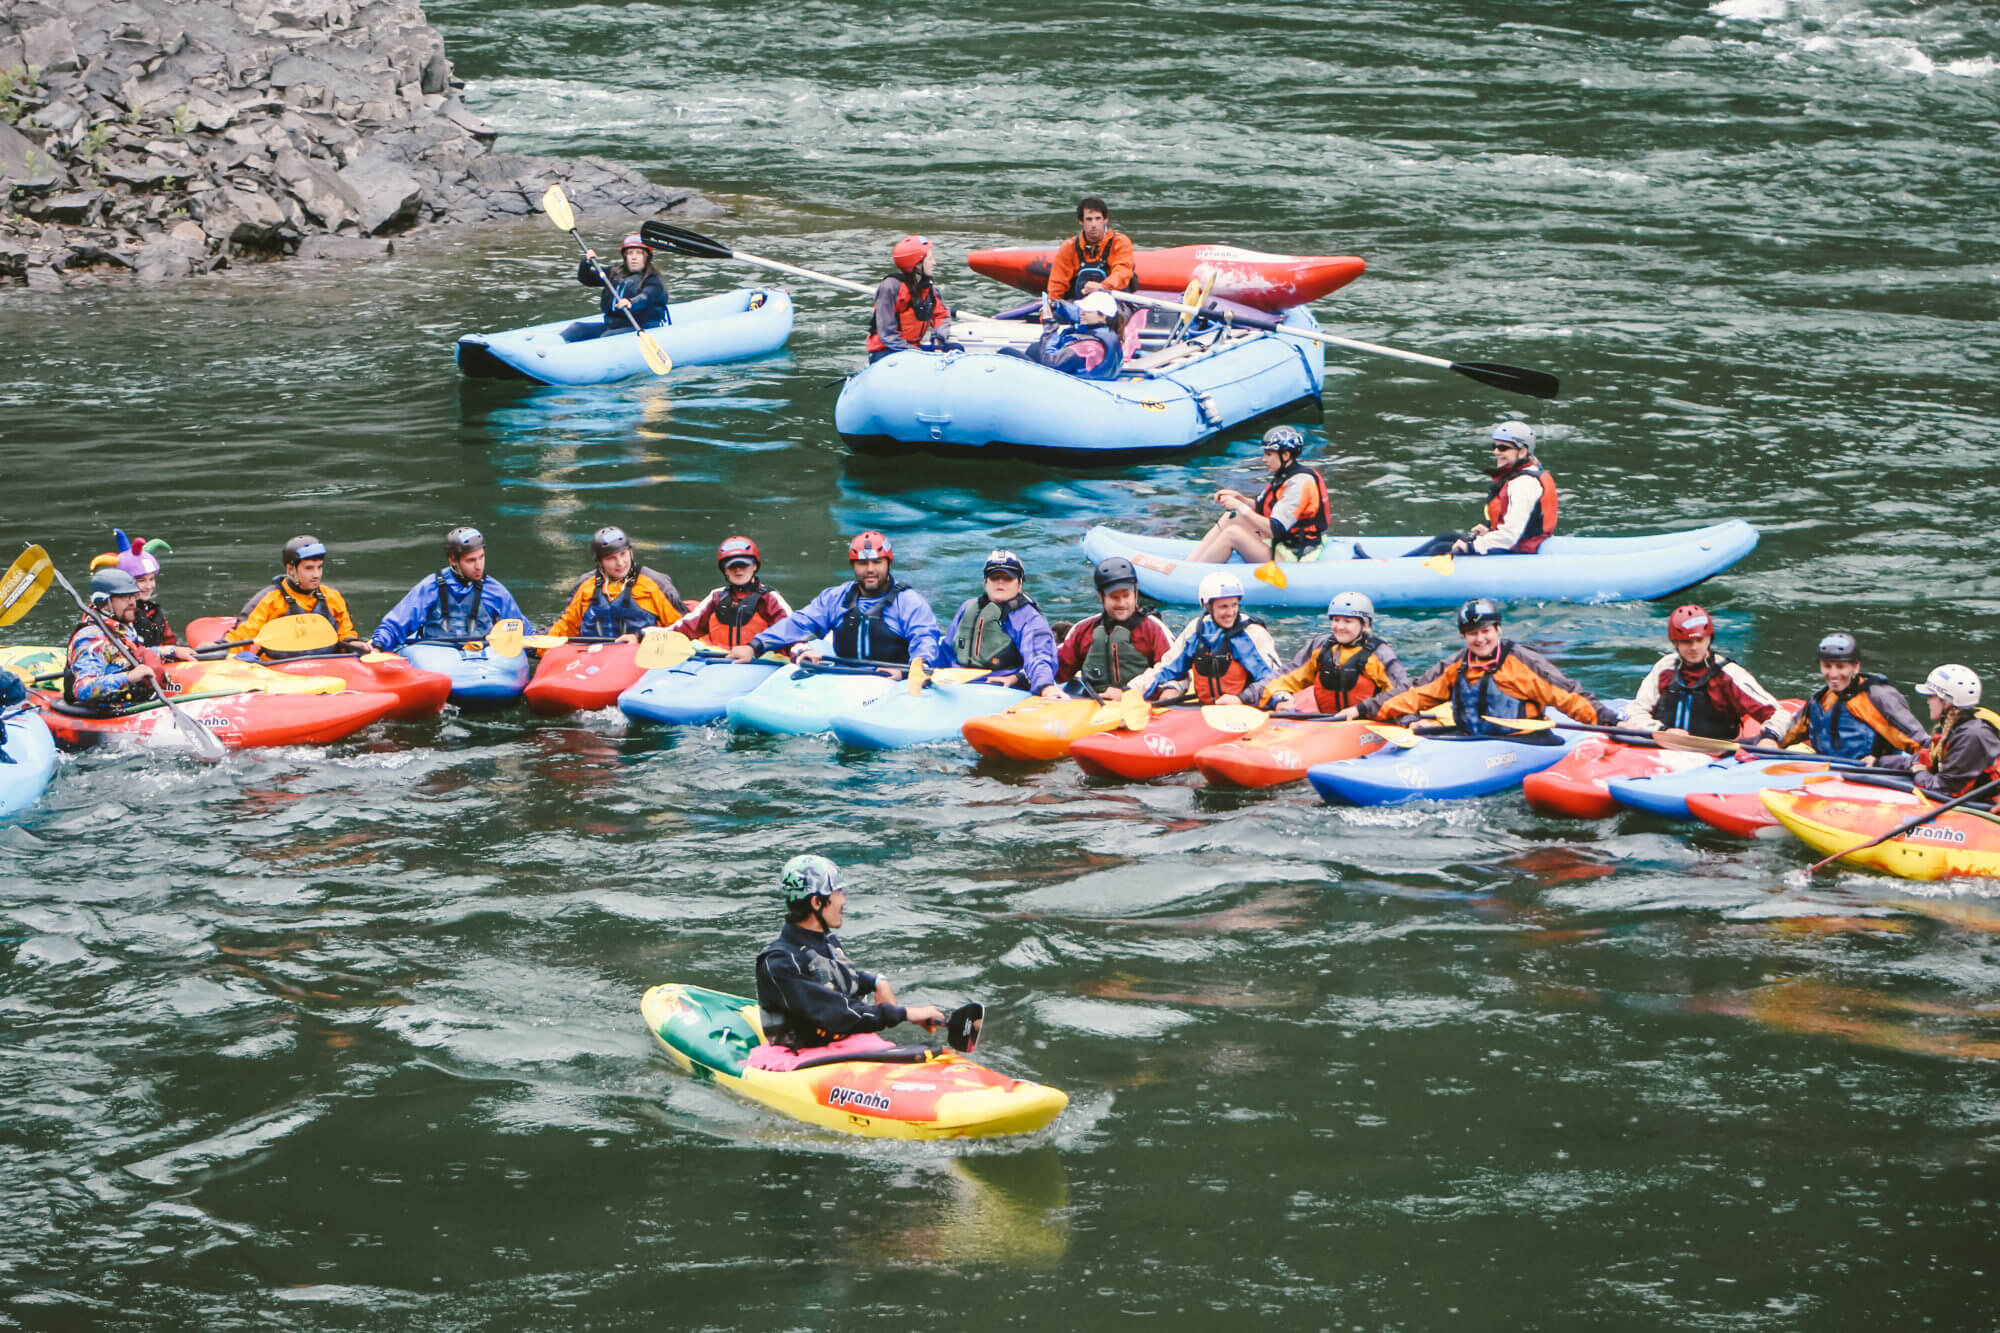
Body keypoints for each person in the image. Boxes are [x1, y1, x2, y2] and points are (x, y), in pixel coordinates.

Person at [749, 854, 946, 1067]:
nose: (843, 901)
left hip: (842, 1045)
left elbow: (839, 978)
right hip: (800, 1056)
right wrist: (905, 1014)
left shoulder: (826, 941)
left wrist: (876, 982)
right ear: (817, 902)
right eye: (838, 892)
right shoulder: (780, 962)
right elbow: (838, 1015)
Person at [1335, 598, 1615, 733]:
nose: (1480, 639)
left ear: (1498, 630)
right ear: (1464, 636)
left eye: (1485, 631)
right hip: (1470, 741)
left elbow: (1568, 695)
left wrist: (1607, 720)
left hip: (1524, 743)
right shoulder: (1456, 665)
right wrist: (1362, 709)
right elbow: (1414, 694)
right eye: (1472, 634)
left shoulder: (1523, 661)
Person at [728, 530, 940, 672]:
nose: (870, 569)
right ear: (853, 565)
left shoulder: (908, 602)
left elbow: (924, 637)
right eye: (862, 563)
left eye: (877, 562)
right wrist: (755, 646)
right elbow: (799, 623)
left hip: (895, 679)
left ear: (888, 563)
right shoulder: (836, 597)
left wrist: (912, 670)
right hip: (845, 677)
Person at [1620, 604, 1784, 742]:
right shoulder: (1665, 667)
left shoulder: (1729, 674)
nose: (1694, 647)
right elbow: (1637, 710)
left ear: (1709, 639)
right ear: (1675, 642)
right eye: (1687, 641)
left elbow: (1778, 714)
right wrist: (1662, 731)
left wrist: (1769, 738)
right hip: (1664, 747)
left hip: (1716, 753)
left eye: (1699, 640)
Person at [1402, 422, 1558, 559]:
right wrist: (1489, 527)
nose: (1496, 452)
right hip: (1515, 543)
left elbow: (1510, 536)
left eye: (1503, 448)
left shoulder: (1524, 484)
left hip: (1519, 550)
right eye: (1495, 446)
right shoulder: (1523, 475)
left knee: (1441, 549)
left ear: (1522, 451)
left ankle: (1405, 573)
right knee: (1445, 537)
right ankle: (1399, 564)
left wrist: (1472, 546)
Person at [1125, 572, 1282, 706]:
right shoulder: (1196, 630)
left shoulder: (1252, 633)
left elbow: (1272, 678)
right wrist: (1130, 691)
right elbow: (1166, 669)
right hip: (1205, 711)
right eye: (1223, 607)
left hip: (1245, 708)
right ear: (1208, 606)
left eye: (1234, 605)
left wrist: (1275, 700)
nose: (1230, 612)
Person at [1186, 426, 1332, 565]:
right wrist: (1240, 498)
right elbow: (1261, 507)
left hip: (1294, 554)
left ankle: (1195, 573)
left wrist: (1240, 506)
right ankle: (1190, 563)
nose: (1263, 459)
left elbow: (1274, 529)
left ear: (1286, 455)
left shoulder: (1299, 483)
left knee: (1232, 534)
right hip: (1283, 542)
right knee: (1231, 516)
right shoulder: (1284, 475)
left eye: (1269, 454)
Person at [372, 526, 534, 651]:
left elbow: (521, 629)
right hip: (436, 654)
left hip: (484, 656)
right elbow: (395, 625)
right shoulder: (430, 587)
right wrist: (378, 645)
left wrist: (535, 646)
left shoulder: (495, 591)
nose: (479, 566)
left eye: (481, 557)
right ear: (453, 561)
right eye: (471, 560)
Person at [1776, 632, 1925, 764]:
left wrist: (1881, 763)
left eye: (1840, 666)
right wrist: (1770, 738)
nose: (1833, 674)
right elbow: (1788, 733)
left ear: (1856, 667)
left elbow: (1924, 748)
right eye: (1827, 666)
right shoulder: (1820, 699)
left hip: (1874, 776)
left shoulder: (1880, 698)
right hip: (1827, 775)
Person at [1249, 592, 1409, 714]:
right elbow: (1287, 676)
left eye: (1348, 621)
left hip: (1366, 721)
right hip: (1328, 722)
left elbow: (1401, 692)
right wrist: (1246, 697)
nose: (1339, 627)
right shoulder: (1321, 646)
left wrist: (1406, 720)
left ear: (1365, 625)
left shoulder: (1379, 653)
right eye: (1336, 620)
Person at [214, 535, 372, 658]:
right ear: (291, 570)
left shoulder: (332, 597)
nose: (316, 575)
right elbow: (241, 637)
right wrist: (220, 651)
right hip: (279, 670)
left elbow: (345, 633)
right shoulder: (269, 600)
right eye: (309, 568)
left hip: (326, 665)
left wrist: (353, 642)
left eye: (319, 567)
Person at [63, 567, 194, 713]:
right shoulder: (91, 638)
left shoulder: (121, 626)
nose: (132, 603)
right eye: (125, 597)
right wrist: (128, 677)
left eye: (133, 596)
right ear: (104, 602)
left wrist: (171, 650)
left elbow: (133, 652)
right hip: (105, 712)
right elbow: (82, 689)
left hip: (130, 702)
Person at [937, 550, 1062, 696]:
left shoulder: (1030, 618)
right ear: (986, 583)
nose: (1000, 581)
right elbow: (946, 650)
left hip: (1001, 689)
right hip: (956, 685)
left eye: (1008, 577)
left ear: (1019, 584)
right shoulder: (967, 608)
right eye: (994, 577)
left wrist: (1045, 686)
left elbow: (1039, 655)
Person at [1055, 557, 1174, 699]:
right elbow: (1057, 670)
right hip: (1093, 703)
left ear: (1135, 593)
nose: (1122, 603)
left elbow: (1173, 671)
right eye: (1114, 597)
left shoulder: (1154, 629)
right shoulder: (1083, 630)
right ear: (1101, 596)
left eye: (1126, 596)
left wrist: (1128, 694)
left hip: (1142, 703)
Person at [1880, 665, 2000, 801]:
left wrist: (1919, 772)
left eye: (1931, 696)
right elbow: (1926, 758)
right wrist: (1879, 762)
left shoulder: (1972, 735)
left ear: (1946, 701)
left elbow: (1943, 790)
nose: (1928, 701)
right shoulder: (1957, 726)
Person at [545, 527, 685, 643]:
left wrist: (641, 638)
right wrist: (538, 643)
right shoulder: (585, 585)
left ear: (630, 551)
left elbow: (682, 628)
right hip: (594, 657)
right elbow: (566, 625)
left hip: (640, 654)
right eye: (611, 558)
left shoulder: (655, 583)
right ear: (600, 562)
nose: (620, 563)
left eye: (623, 554)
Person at [676, 536, 794, 649]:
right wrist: (664, 637)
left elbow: (791, 632)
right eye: (732, 566)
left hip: (757, 659)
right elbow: (687, 627)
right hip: (717, 658)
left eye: (743, 565)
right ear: (725, 570)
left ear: (754, 566)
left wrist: (799, 651)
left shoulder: (769, 598)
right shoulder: (716, 596)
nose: (738, 570)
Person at [865, 234, 956, 362]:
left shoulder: (927, 287)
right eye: (930, 259)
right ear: (917, 264)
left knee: (956, 349)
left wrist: (938, 342)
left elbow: (941, 315)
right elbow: (887, 335)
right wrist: (917, 353)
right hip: (886, 351)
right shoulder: (891, 287)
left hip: (912, 349)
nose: (934, 262)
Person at [1001, 290, 1126, 380]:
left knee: (1006, 352)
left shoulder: (1088, 347)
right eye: (1082, 309)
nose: (1082, 313)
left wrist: (1049, 325)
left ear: (1103, 316)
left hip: (1066, 385)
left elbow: (1050, 363)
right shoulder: (1108, 332)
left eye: (1087, 310)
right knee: (1034, 348)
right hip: (1081, 376)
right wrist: (1056, 305)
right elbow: (1074, 312)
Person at [567, 232, 668, 341]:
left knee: (607, 337)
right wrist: (586, 263)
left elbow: (646, 296)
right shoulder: (615, 273)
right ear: (625, 256)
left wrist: (631, 302)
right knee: (575, 329)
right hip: (614, 325)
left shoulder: (653, 279)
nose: (634, 257)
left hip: (642, 327)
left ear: (647, 257)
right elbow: (586, 279)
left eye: (639, 253)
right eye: (630, 253)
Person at [90, 530, 177, 648]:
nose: (149, 586)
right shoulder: (111, 612)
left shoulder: (152, 610)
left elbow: (169, 640)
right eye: (141, 580)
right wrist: (166, 651)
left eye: (151, 579)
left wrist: (174, 650)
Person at [1044, 195, 1135, 302]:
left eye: (1098, 218)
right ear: (1081, 221)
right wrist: (1052, 303)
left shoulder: (1120, 242)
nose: (1093, 224)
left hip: (1113, 300)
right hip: (1079, 302)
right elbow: (1057, 283)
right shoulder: (1069, 247)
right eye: (1089, 219)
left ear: (1105, 219)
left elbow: (1122, 272)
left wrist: (1102, 286)